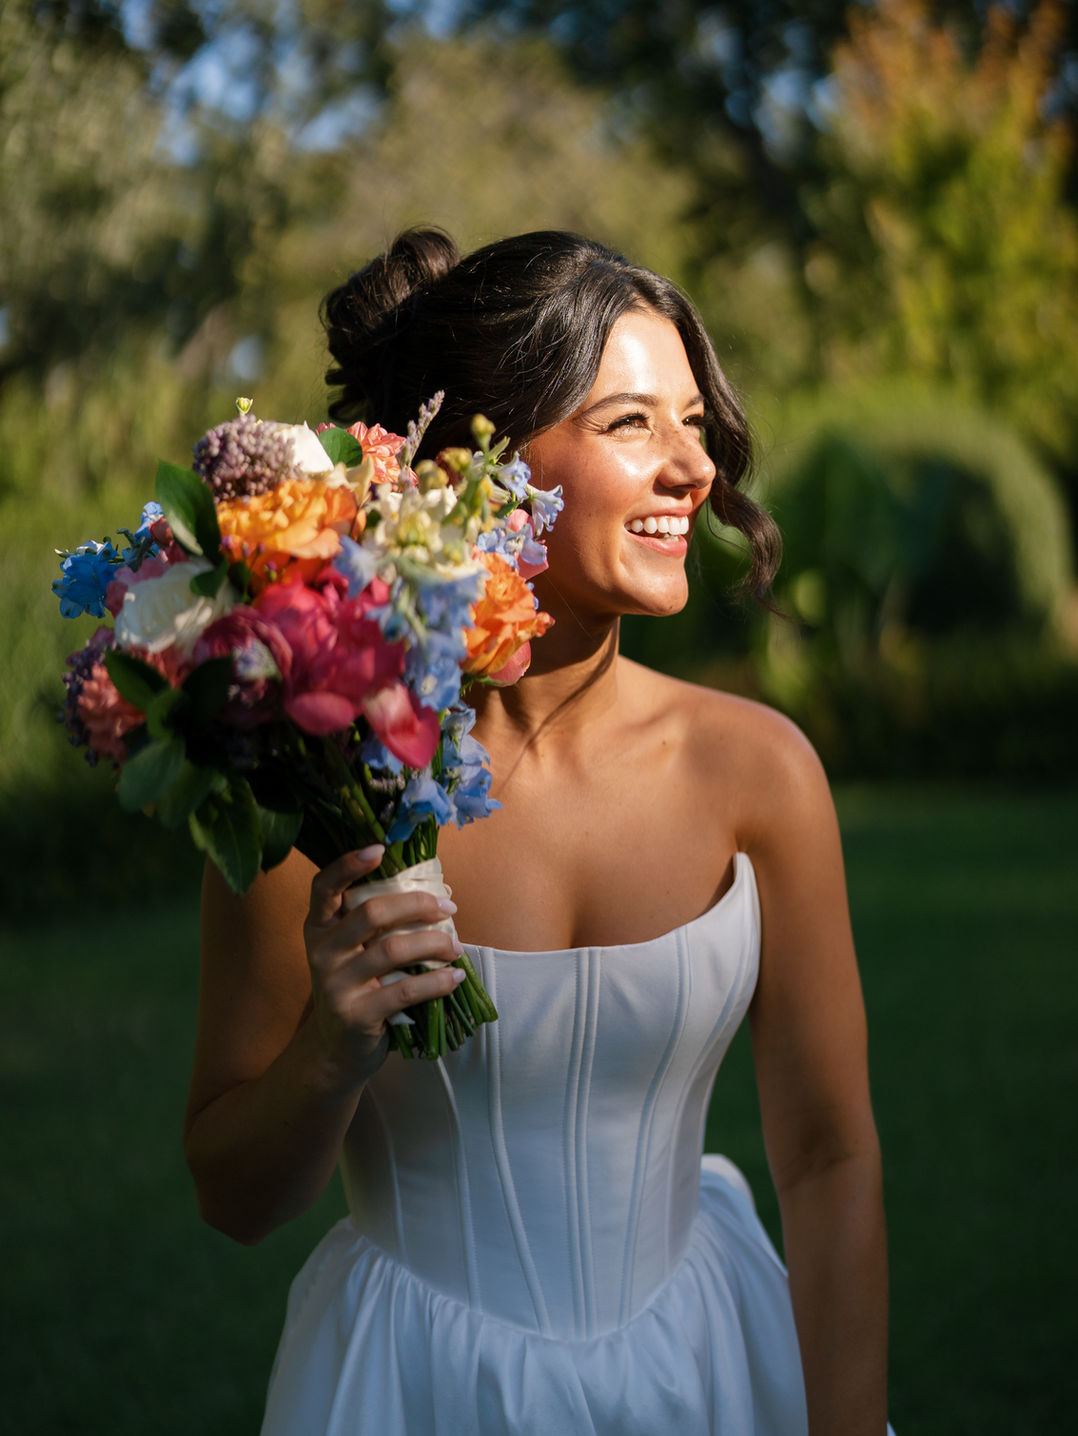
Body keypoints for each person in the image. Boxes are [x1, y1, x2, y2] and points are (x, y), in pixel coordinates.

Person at [184, 229, 892, 1435]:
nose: (695, 467)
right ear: (483, 460)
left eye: (692, 421)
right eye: (632, 424)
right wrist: (329, 1046)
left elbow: (828, 1158)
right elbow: (235, 1195)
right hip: (415, 1388)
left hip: (706, 1366)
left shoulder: (758, 776)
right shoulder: (312, 784)